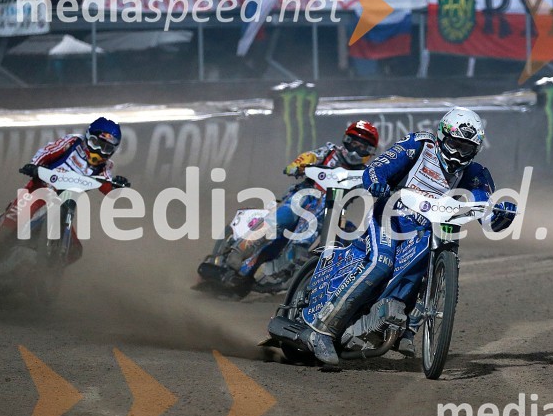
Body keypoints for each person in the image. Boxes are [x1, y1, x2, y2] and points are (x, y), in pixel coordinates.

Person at [302, 107, 518, 365]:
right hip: (389, 217)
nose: (459, 153)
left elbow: (485, 213)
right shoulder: (418, 145)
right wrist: (378, 182)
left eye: (466, 148)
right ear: (442, 136)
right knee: (380, 265)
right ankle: (321, 330)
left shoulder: (476, 174)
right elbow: (377, 168)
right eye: (455, 144)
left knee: (429, 265)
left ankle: (405, 326)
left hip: (427, 231)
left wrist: (499, 217)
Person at [220, 120, 380, 290]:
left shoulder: (365, 173)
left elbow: (378, 182)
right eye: (354, 143)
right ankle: (242, 248)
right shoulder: (329, 152)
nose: (356, 150)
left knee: (342, 235)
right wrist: (298, 165)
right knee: (282, 218)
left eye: (362, 147)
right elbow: (310, 156)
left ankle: (292, 272)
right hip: (305, 195)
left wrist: (380, 187)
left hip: (332, 210)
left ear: (369, 152)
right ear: (346, 140)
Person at [0, 117, 130, 262]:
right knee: (8, 225)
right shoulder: (73, 142)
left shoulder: (105, 167)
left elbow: (107, 186)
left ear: (113, 150)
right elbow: (47, 151)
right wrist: (34, 165)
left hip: (65, 203)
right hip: (38, 191)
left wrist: (117, 186)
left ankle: (42, 276)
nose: (99, 151)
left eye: (106, 148)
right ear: (88, 137)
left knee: (75, 251)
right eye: (96, 143)